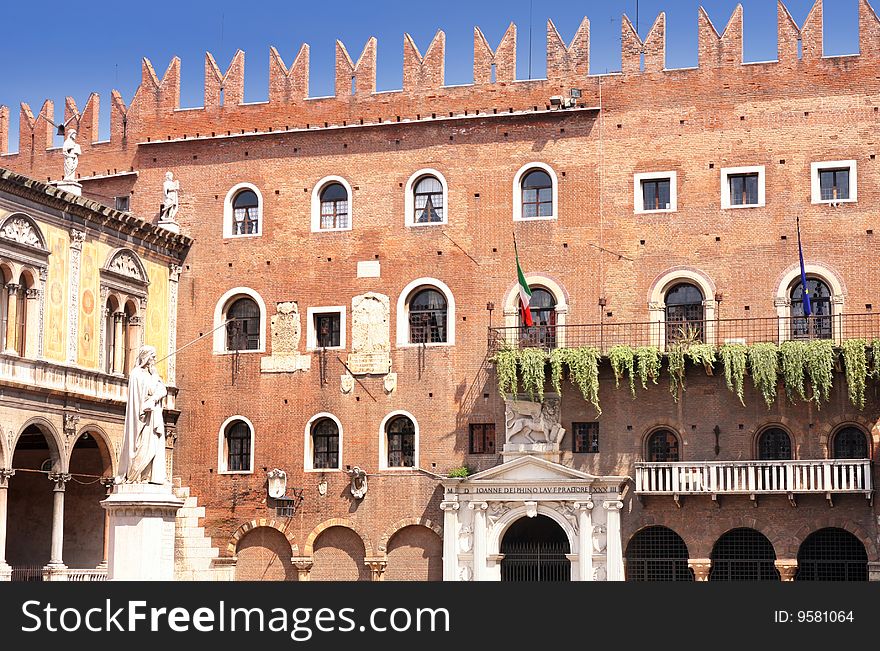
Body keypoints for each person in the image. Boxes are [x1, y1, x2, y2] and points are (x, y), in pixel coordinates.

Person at [117, 345, 167, 484]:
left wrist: (156, 391)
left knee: (154, 445)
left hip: (154, 416)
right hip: (143, 418)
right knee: (142, 445)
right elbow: (146, 392)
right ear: (146, 357)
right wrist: (154, 387)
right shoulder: (137, 374)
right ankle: (135, 476)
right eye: (153, 356)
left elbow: (162, 390)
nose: (155, 359)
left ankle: (148, 477)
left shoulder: (152, 374)